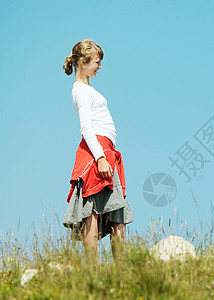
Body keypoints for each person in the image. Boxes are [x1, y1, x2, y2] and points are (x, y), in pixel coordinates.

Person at [62, 39, 134, 259]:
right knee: (92, 212)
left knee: (115, 211)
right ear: (83, 62)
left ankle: (119, 270)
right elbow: (86, 128)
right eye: (96, 62)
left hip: (105, 150)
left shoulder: (87, 89)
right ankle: (95, 270)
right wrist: (100, 158)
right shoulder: (81, 91)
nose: (99, 66)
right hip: (97, 151)